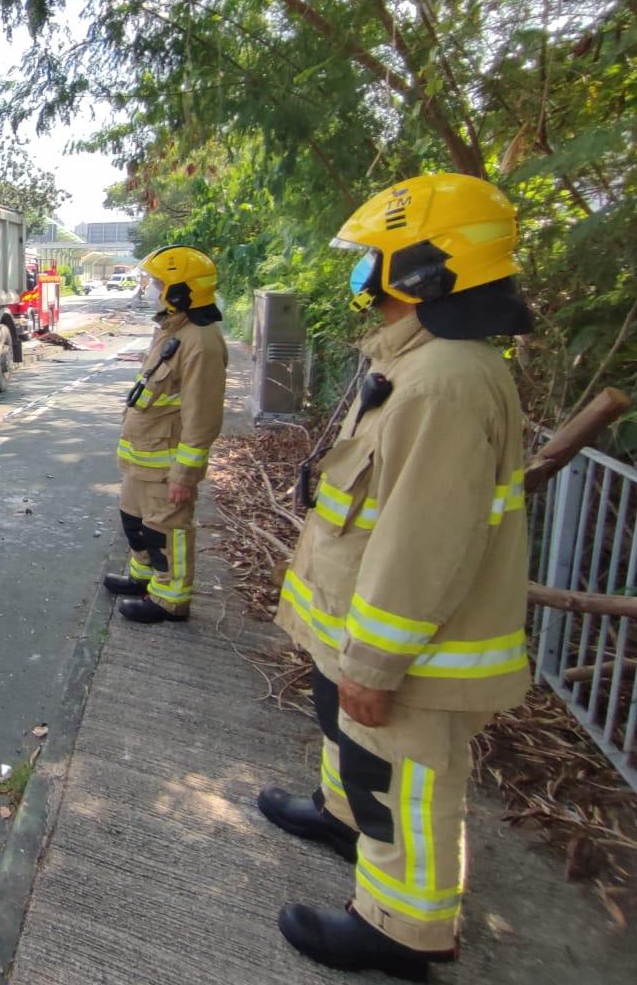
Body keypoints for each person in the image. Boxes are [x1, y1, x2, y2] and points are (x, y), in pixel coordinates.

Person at [260, 174, 533, 978]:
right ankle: (341, 817)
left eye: (374, 258)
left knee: (403, 784)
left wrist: (376, 664)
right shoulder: (417, 365)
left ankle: (398, 932)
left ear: (423, 269)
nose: (363, 274)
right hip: (363, 624)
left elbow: (423, 542)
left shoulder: (447, 381)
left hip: (408, 650)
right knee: (356, 756)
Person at [103, 245, 228, 623]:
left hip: (165, 462)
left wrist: (184, 475)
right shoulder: (173, 328)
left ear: (180, 290)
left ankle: (169, 600)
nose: (152, 288)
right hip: (142, 457)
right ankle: (143, 578)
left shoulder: (200, 342)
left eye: (159, 283)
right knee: (135, 522)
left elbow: (202, 415)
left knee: (165, 531)